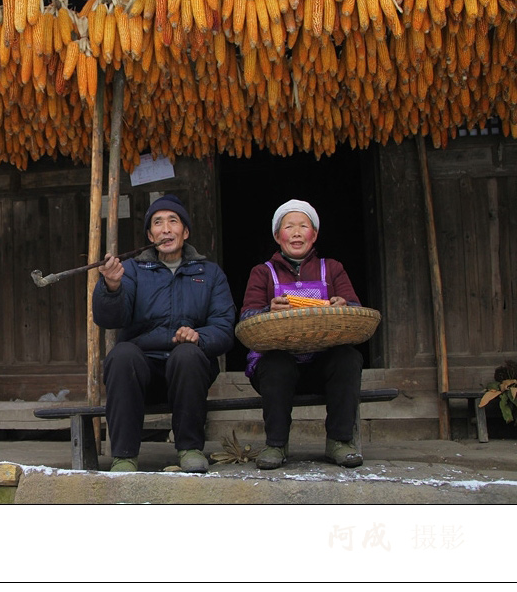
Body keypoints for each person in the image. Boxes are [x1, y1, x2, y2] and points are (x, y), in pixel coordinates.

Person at [93, 194, 236, 473]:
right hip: (142, 370)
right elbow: (109, 319)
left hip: (187, 370)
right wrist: (111, 286)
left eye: (174, 221)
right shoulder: (132, 270)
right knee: (121, 355)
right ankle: (123, 456)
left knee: (187, 355)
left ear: (185, 231)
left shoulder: (209, 273)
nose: (166, 229)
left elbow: (224, 327)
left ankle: (190, 449)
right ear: (150, 234)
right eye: (158, 223)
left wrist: (199, 337)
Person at [240, 199, 364, 470]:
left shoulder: (332, 269)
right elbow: (247, 318)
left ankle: (340, 442)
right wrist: (267, 311)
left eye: (303, 226)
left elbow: (356, 309)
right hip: (280, 371)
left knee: (348, 357)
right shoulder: (262, 273)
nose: (296, 232)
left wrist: (343, 306)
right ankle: (275, 444)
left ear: (314, 234)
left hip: (322, 367)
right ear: (277, 236)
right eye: (289, 227)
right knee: (274, 363)